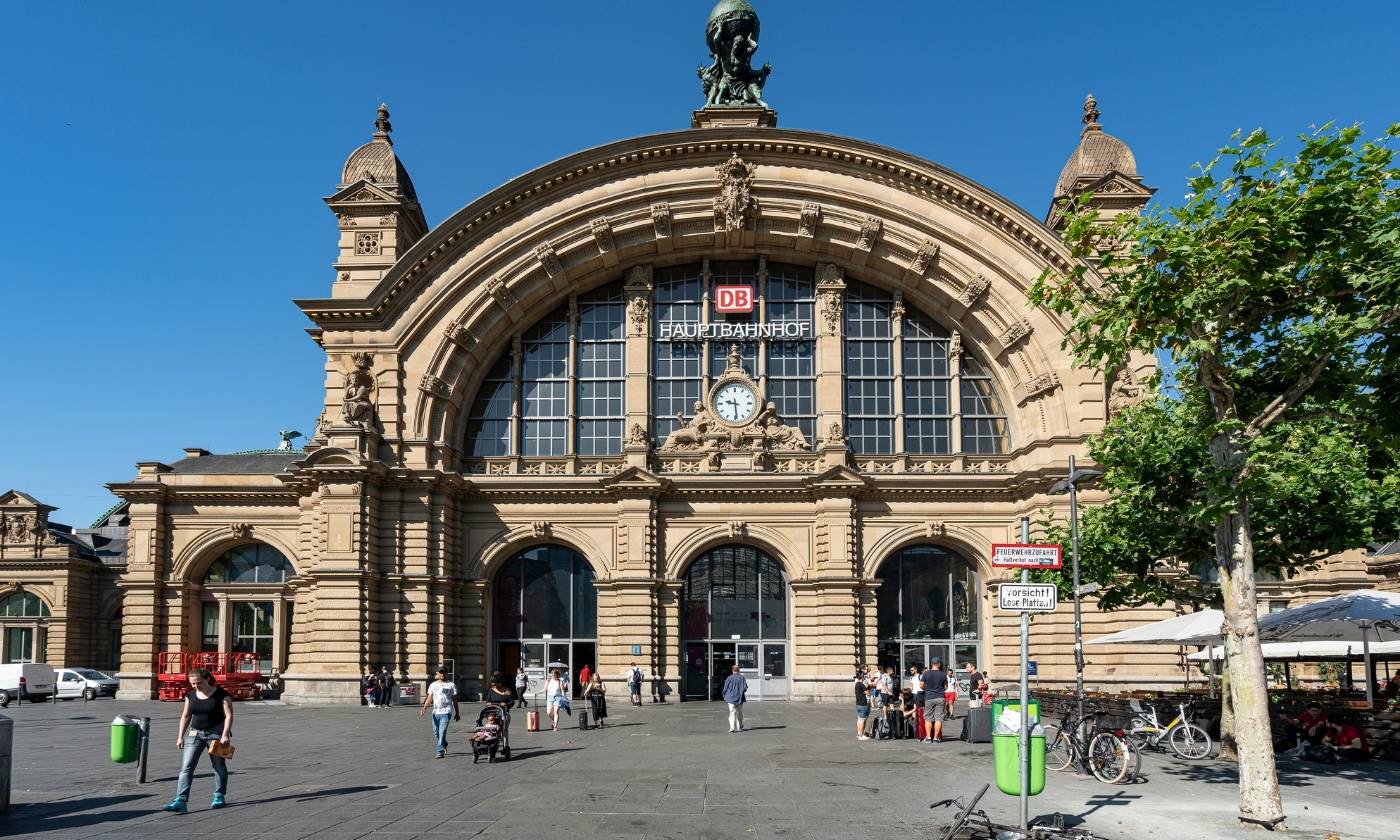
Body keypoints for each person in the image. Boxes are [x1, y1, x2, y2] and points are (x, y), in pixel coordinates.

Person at [162, 668, 233, 813]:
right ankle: (180, 800)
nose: (195, 686)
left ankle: (219, 795)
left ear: (207, 678)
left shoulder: (222, 695)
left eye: (198, 683)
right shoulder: (190, 695)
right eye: (193, 684)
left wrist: (225, 734)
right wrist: (180, 736)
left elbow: (229, 716)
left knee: (218, 766)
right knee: (186, 767)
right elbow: (186, 716)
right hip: (194, 734)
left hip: (216, 734)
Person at [419, 667, 460, 759]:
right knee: (436, 732)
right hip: (435, 712)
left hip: (446, 711)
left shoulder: (451, 685)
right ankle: (444, 743)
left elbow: (455, 700)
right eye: (440, 673)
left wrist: (457, 713)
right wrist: (424, 708)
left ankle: (440, 751)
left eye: (444, 673)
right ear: (437, 674)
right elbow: (430, 697)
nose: (442, 674)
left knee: (442, 732)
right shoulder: (433, 685)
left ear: (447, 673)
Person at [923, 660, 949, 743]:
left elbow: (921, 685)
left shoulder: (926, 673)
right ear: (939, 664)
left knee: (928, 718)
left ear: (931, 664)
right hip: (940, 697)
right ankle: (935, 738)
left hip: (929, 697)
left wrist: (927, 689)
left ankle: (928, 738)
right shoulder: (943, 674)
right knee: (938, 718)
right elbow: (945, 687)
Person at [722, 664, 748, 733]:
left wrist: (724, 695)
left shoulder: (729, 678)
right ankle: (739, 727)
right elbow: (745, 688)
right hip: (740, 698)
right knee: (739, 713)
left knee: (732, 712)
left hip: (730, 698)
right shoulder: (742, 678)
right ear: (738, 670)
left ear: (732, 670)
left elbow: (725, 688)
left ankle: (732, 727)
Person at [854, 671, 871, 741]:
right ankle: (861, 735)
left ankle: (859, 734)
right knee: (862, 720)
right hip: (863, 704)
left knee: (859, 719)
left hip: (858, 704)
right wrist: (869, 687)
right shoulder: (861, 684)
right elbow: (868, 693)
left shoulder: (857, 684)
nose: (865, 676)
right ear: (862, 676)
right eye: (864, 675)